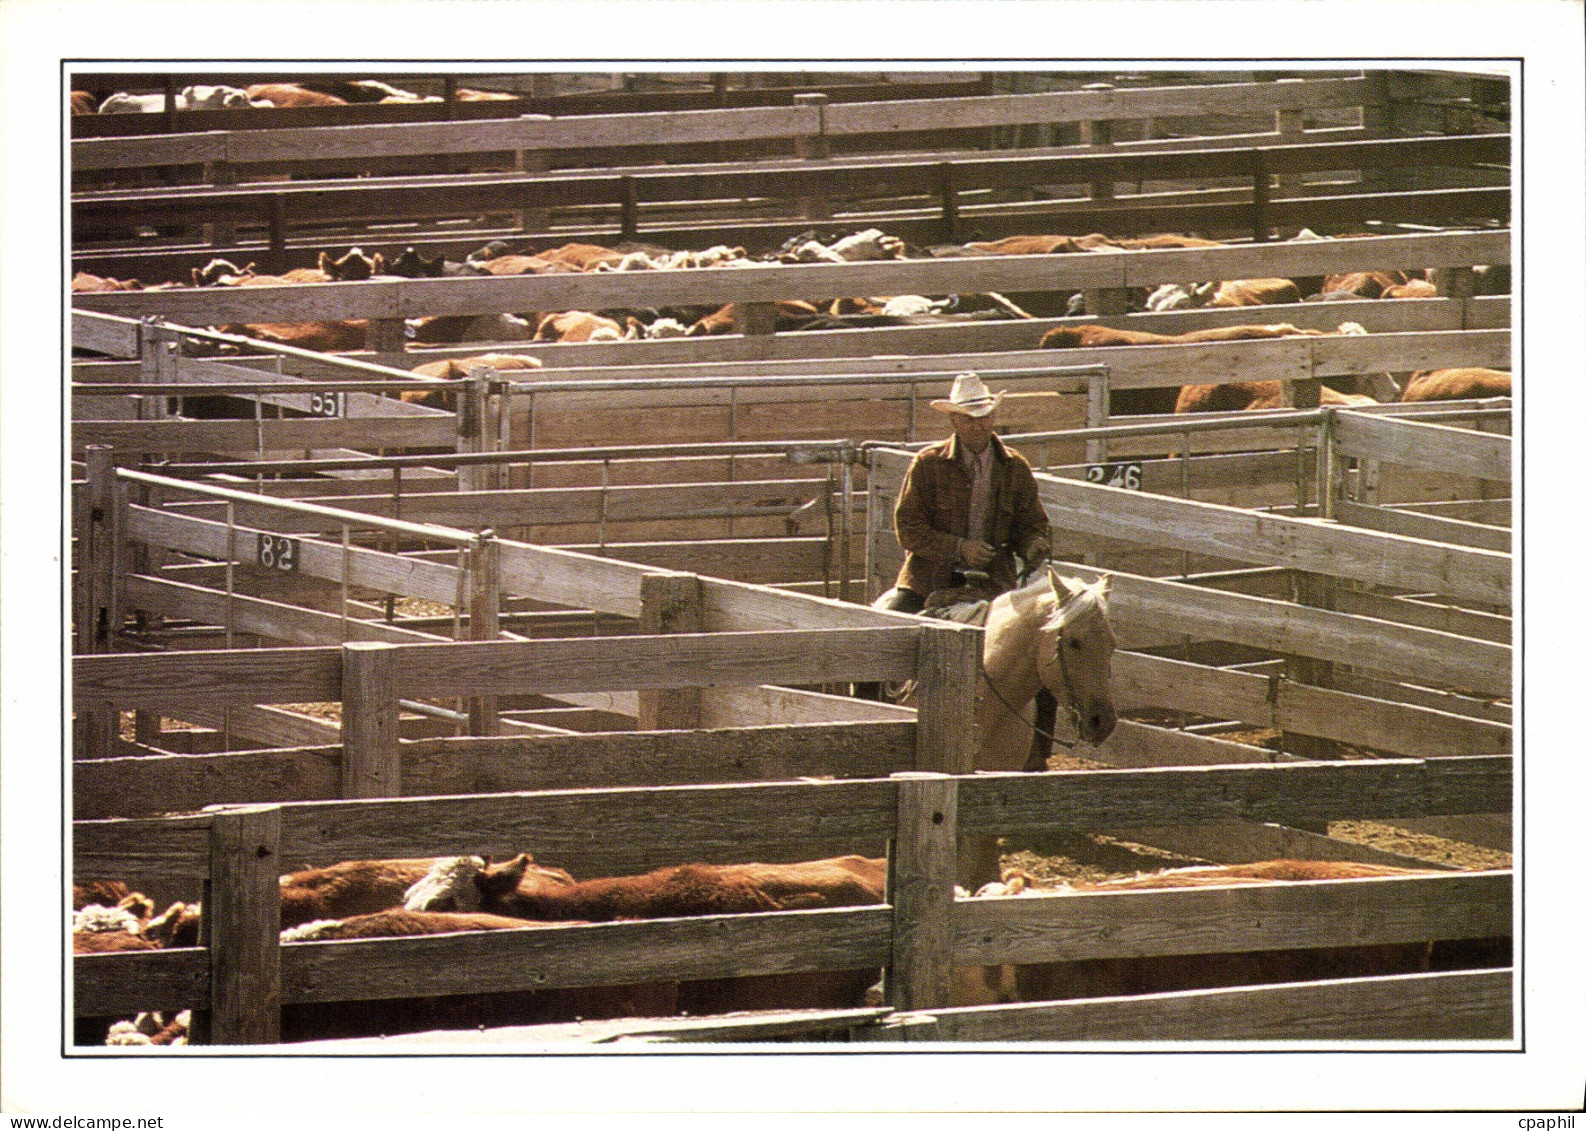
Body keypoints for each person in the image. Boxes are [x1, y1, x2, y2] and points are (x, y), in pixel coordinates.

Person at [874, 372, 1052, 614]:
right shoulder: (927, 463)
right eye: (969, 419)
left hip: (994, 582)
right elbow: (908, 528)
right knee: (892, 630)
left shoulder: (1015, 467)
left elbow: (1031, 524)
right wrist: (959, 548)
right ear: (954, 421)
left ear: (993, 417)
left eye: (985, 417)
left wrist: (1032, 544)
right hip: (928, 581)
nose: (979, 425)